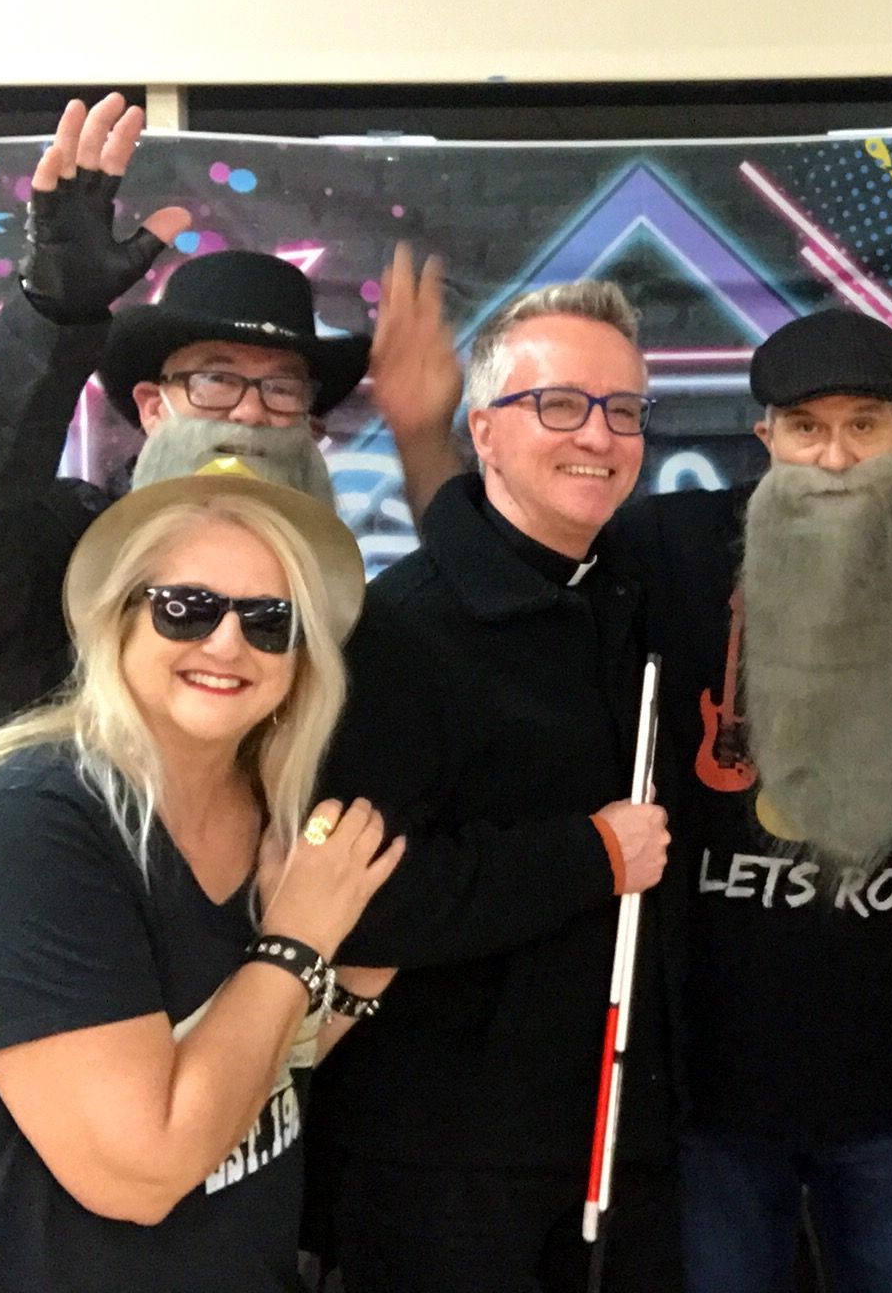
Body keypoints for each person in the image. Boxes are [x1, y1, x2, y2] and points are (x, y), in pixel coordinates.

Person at [0, 457, 403, 1292]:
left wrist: (346, 984)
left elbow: (248, 1075)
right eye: (186, 608)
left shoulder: (272, 822)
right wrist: (299, 942)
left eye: (271, 621)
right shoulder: (31, 826)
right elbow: (141, 1173)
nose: (228, 642)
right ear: (117, 621)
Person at [307, 279, 678, 1293]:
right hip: (442, 1166)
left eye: (624, 410)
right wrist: (589, 856)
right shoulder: (400, 631)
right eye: (559, 404)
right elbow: (362, 903)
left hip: (621, 1142)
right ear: (485, 431)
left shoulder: (635, 593)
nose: (598, 435)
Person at [611, 308, 892, 1293]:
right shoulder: (674, 544)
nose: (836, 458)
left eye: (863, 426)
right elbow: (519, 574)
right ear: (764, 437)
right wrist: (423, 437)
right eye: (807, 428)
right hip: (717, 1084)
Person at [0, 92, 374, 726]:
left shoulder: (340, 610)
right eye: (214, 380)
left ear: (311, 424)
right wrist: (53, 313)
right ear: (153, 407)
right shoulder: (61, 555)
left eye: (281, 388)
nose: (249, 413)